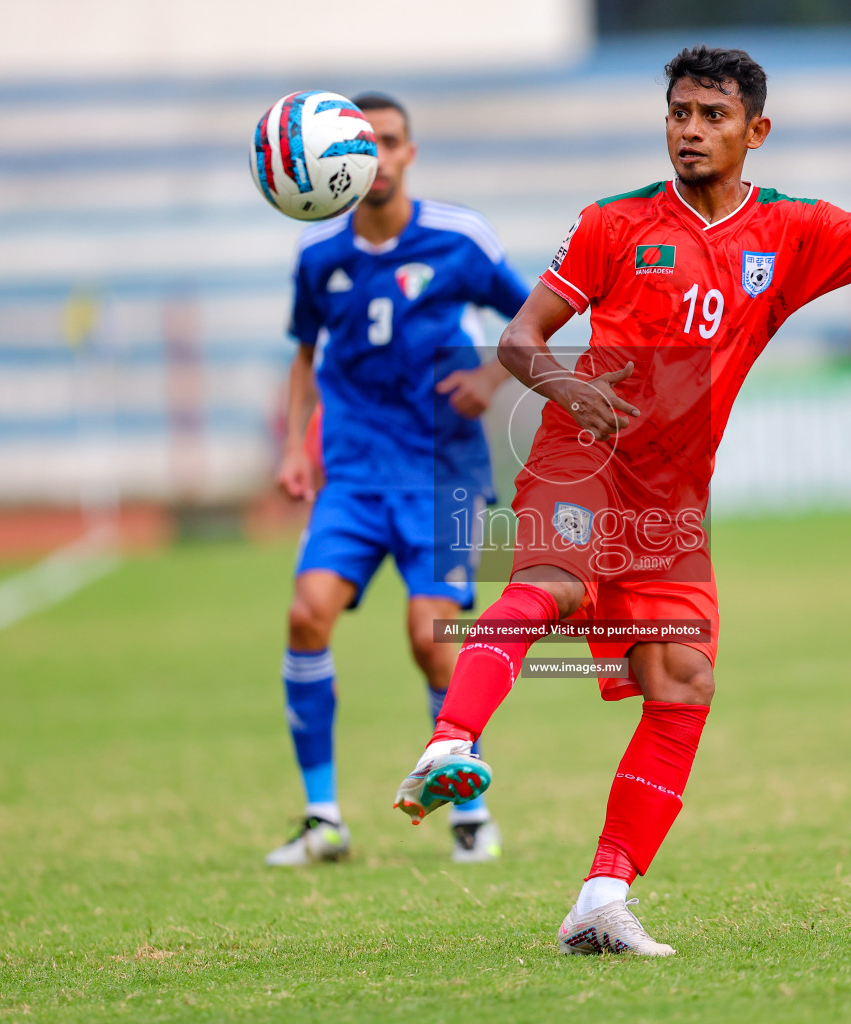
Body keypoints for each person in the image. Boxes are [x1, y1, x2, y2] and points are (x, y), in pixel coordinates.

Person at [390, 45, 851, 954]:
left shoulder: (793, 231)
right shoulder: (612, 221)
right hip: (581, 453)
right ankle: (451, 741)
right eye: (679, 113)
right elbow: (519, 341)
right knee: (551, 586)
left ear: (757, 130)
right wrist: (569, 387)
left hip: (671, 493)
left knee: (683, 681)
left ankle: (600, 898)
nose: (690, 131)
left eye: (712, 116)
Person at [266, 92, 531, 867]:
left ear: (408, 152)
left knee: (431, 640)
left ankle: (470, 811)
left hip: (445, 472)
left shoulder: (459, 240)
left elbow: (532, 325)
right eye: (360, 144)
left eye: (386, 142)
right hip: (353, 473)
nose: (374, 157)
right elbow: (304, 355)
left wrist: (489, 381)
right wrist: (293, 446)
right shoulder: (320, 258)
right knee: (305, 616)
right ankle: (323, 820)